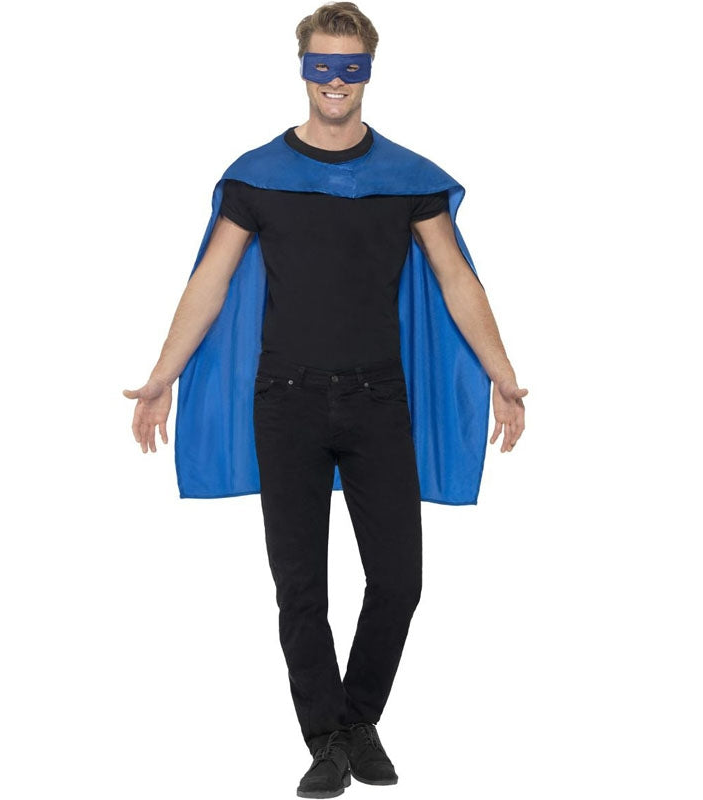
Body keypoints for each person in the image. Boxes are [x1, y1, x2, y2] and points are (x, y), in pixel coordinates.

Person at [123, 3, 527, 797]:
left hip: (378, 401)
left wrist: (503, 373)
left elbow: (456, 280)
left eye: (350, 67)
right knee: (301, 588)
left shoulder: (407, 179)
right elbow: (210, 280)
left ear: (368, 72)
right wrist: (163, 373)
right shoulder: (259, 176)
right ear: (302, 68)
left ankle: (356, 719)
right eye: (322, 65)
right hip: (287, 403)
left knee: (399, 581)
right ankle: (325, 740)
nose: (335, 81)